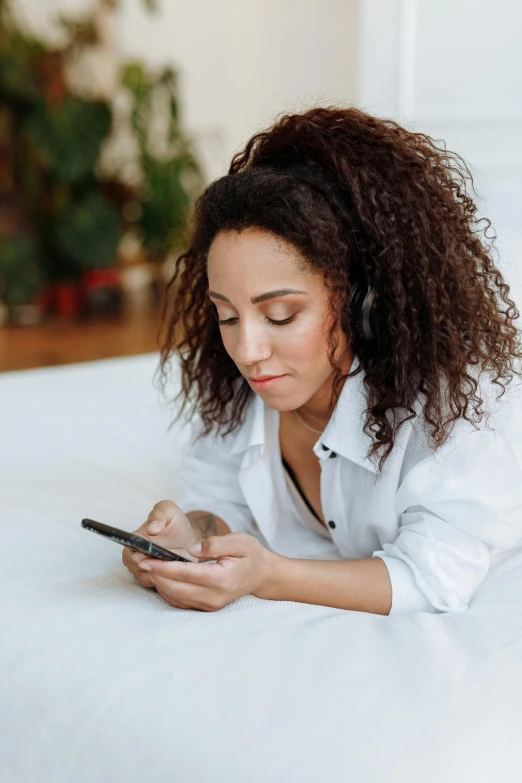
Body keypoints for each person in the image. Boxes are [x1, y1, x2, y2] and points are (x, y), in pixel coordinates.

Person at [122, 105, 522, 616]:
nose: (247, 352)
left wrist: (268, 574)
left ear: (364, 302)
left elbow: (432, 578)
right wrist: (189, 535)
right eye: (226, 316)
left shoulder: (454, 412)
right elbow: (223, 501)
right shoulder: (239, 391)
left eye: (282, 315)